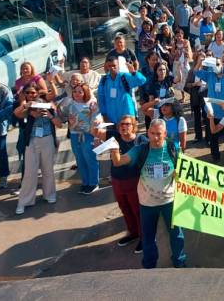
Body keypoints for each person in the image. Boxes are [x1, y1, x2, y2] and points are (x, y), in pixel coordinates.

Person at [110, 119, 186, 269]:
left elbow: (183, 171)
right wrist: (113, 150)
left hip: (169, 201)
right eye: (152, 133)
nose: (155, 137)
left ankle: (180, 262)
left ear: (165, 134)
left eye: (159, 134)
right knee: (148, 237)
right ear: (148, 133)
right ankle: (149, 266)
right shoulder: (141, 150)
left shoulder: (173, 148)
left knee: (176, 235)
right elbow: (119, 162)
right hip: (147, 203)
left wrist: (179, 175)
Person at [93, 116, 146, 254]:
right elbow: (95, 132)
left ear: (133, 126)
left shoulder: (140, 140)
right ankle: (133, 233)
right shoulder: (114, 136)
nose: (124, 127)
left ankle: (144, 238)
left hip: (134, 180)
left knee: (138, 210)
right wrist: (95, 122)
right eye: (121, 124)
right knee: (125, 208)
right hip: (117, 180)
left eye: (127, 124)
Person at [12, 95, 59, 215]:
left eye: (40, 107)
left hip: (47, 140)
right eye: (36, 108)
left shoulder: (50, 111)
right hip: (32, 141)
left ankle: (50, 194)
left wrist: (50, 115)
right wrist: (26, 106)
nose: (38, 110)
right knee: (29, 173)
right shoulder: (28, 112)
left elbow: (60, 124)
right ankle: (24, 201)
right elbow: (16, 113)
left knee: (48, 169)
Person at [55, 82, 102, 194]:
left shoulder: (92, 104)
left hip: (88, 135)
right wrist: (57, 107)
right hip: (74, 135)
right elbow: (62, 116)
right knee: (80, 160)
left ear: (85, 92)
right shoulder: (70, 105)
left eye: (80, 91)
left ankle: (93, 183)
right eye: (75, 91)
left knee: (90, 159)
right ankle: (85, 182)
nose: (77, 94)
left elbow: (97, 121)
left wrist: (97, 138)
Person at [97, 56, 146, 125]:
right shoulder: (104, 80)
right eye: (109, 66)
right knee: (113, 135)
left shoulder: (125, 77)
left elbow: (142, 80)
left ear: (118, 66)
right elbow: (101, 98)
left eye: (114, 65)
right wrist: (104, 113)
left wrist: (133, 72)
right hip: (111, 117)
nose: (112, 68)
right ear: (107, 67)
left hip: (127, 115)